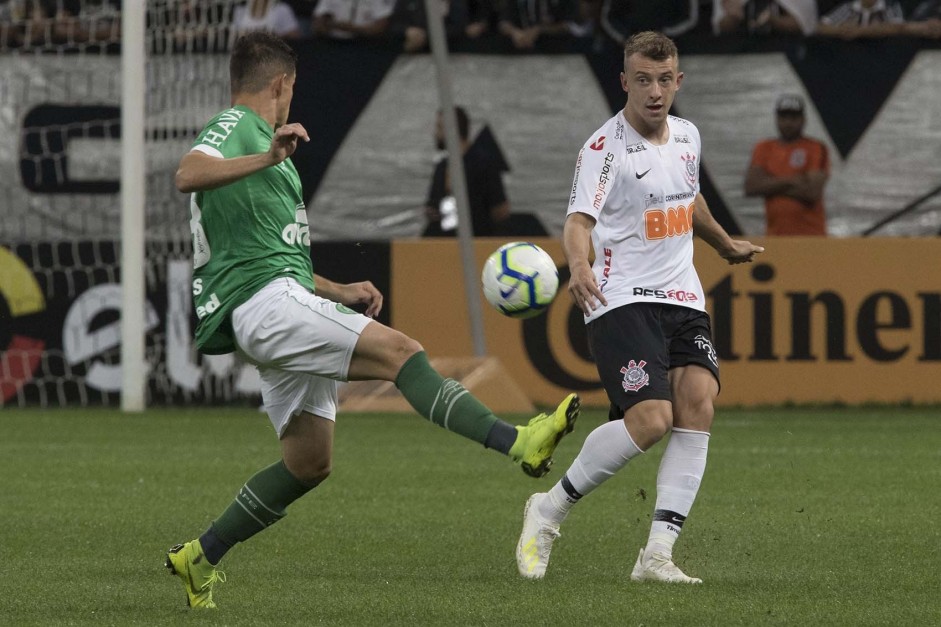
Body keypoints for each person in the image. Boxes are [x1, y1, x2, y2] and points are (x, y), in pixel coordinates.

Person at [165, 32, 580, 609]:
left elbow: (269, 251)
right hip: (262, 305)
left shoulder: (262, 145)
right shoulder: (237, 127)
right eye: (292, 89)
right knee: (402, 353)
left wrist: (338, 289)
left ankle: (200, 557)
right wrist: (267, 157)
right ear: (282, 83)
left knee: (310, 461)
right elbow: (186, 172)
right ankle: (519, 442)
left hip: (273, 295)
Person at [515, 31, 763, 584]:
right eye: (643, 80)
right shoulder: (604, 150)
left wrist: (723, 244)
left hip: (684, 295)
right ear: (624, 81)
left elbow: (689, 195)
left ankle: (656, 556)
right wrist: (577, 266)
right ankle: (548, 509)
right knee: (652, 420)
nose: (655, 91)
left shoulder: (688, 136)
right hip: (619, 296)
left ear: (679, 80)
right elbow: (579, 220)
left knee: (698, 405)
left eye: (665, 79)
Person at [744, 94, 829, 236]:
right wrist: (794, 180)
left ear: (803, 120)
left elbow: (812, 192)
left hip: (811, 235)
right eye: (784, 118)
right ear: (777, 119)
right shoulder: (764, 148)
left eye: (794, 118)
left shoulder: (815, 147)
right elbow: (751, 187)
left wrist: (770, 184)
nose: (788, 123)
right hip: (775, 236)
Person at [422, 106, 511, 237]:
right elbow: (433, 203)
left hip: (478, 241)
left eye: (440, 127)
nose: (436, 134)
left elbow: (501, 209)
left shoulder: (483, 163)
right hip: (445, 243)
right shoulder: (442, 166)